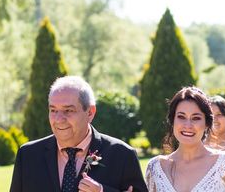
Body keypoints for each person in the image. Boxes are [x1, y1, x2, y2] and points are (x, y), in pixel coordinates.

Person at [9, 75, 147, 192]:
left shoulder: (122, 155)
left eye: (68, 111)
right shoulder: (28, 155)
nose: (59, 120)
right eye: (53, 110)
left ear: (90, 112)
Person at [145, 86, 225, 192]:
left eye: (196, 118)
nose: (188, 125)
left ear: (207, 124)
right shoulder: (155, 168)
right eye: (181, 117)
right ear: (172, 121)